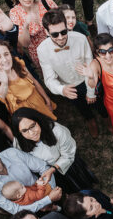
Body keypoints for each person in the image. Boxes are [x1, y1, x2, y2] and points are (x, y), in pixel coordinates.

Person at [37, 9, 99, 137]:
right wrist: (62, 89)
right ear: (46, 32)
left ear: (67, 27)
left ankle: (105, 117)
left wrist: (91, 92)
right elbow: (49, 79)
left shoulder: (81, 39)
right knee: (81, 106)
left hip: (88, 79)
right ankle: (90, 120)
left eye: (63, 32)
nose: (60, 37)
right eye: (55, 34)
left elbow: (90, 65)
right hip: (68, 86)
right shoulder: (42, 50)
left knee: (99, 102)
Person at [11, 108, 97, 193]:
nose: (31, 133)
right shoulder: (19, 142)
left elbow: (68, 155)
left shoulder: (57, 130)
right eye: (25, 130)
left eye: (32, 126)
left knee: (81, 185)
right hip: (47, 173)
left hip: (67, 166)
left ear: (38, 120)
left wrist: (53, 169)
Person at [0, 144, 61, 214]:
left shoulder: (12, 153)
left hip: (46, 188)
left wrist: (51, 192)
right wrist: (45, 202)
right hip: (29, 210)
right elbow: (15, 209)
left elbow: (44, 168)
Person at [0, 39, 56, 120]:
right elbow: (1, 94)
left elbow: (34, 82)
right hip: (23, 115)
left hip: (38, 102)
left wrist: (47, 100)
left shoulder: (17, 63)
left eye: (6, 54)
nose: (5, 60)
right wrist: (4, 81)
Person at [8, 0, 57, 70]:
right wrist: (26, 24)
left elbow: (62, 20)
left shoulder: (46, 1)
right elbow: (25, 44)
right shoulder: (15, 13)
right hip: (40, 53)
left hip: (58, 42)